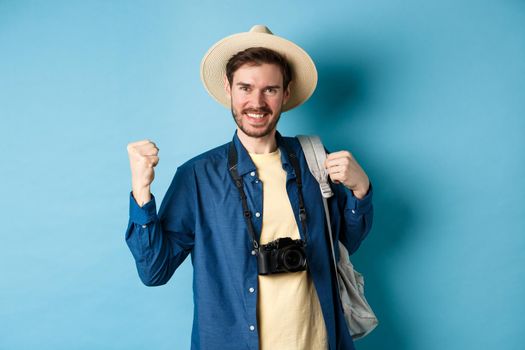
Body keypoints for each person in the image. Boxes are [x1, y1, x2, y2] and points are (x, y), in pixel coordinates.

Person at [125, 25, 373, 350]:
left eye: (270, 89)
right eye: (246, 88)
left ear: (286, 93)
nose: (256, 102)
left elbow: (344, 243)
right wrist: (141, 192)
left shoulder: (316, 160)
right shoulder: (196, 177)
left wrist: (360, 191)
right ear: (229, 89)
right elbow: (154, 271)